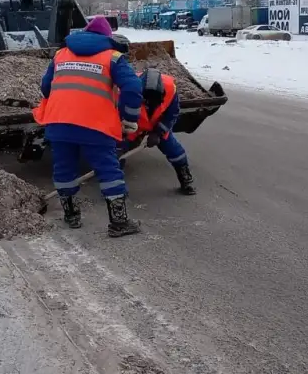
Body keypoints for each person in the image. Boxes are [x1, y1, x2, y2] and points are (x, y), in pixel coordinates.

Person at [32, 17, 144, 237]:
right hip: (95, 124)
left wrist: (62, 101)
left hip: (58, 122)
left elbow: (45, 87)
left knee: (64, 168)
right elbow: (132, 86)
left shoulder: (60, 55)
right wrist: (129, 117)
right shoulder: (113, 57)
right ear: (106, 38)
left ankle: (71, 216)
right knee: (108, 169)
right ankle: (119, 223)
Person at [122, 67, 195, 195]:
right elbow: (120, 113)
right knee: (118, 150)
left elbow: (173, 113)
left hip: (157, 123)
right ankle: (116, 187)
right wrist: (125, 135)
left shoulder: (171, 89)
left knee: (174, 150)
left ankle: (186, 179)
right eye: (147, 102)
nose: (151, 105)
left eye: (155, 103)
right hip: (133, 124)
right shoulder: (128, 88)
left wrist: (158, 132)